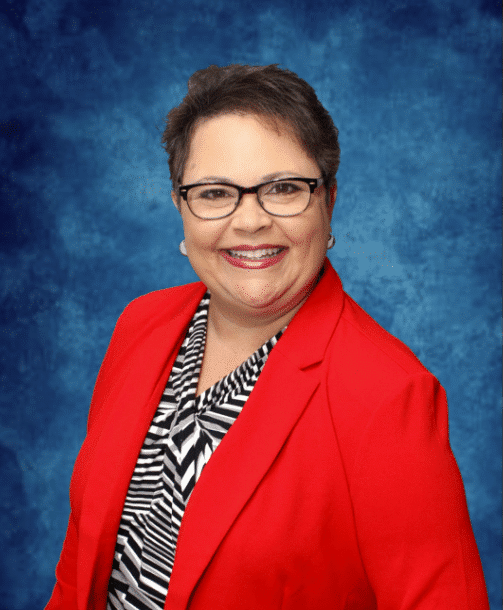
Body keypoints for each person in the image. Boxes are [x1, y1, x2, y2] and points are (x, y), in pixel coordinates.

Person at [46, 64, 489, 610]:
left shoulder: (389, 397)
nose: (250, 221)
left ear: (329, 201)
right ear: (181, 207)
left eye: (283, 188)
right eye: (214, 193)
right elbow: (80, 569)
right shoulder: (142, 324)